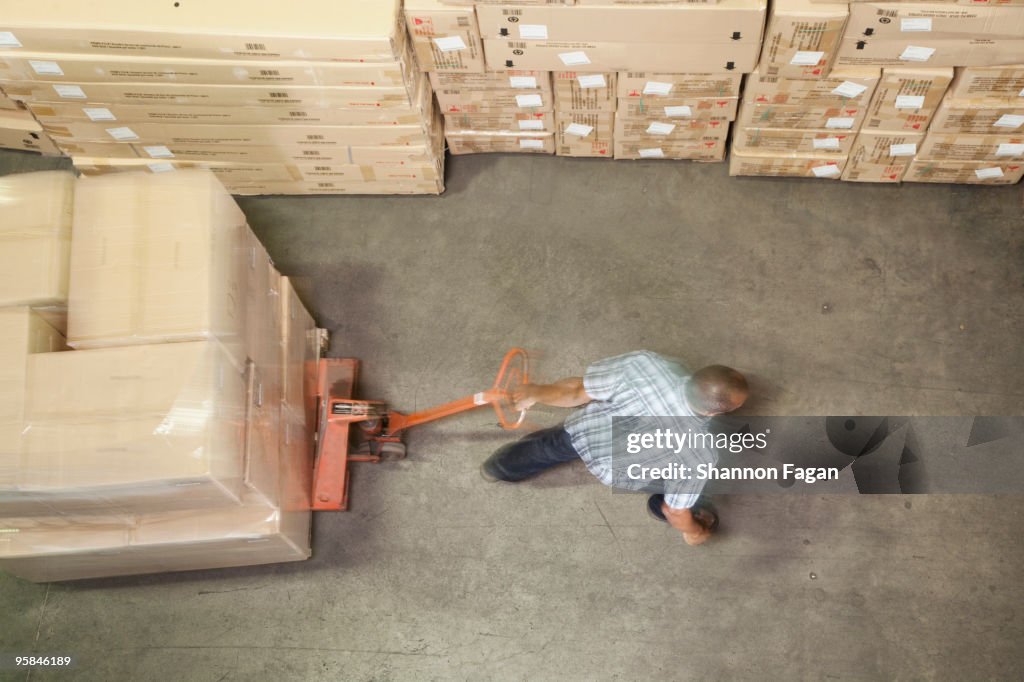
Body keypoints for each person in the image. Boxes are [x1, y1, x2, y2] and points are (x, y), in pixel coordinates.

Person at [481, 351, 749, 546]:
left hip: (584, 434)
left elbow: (576, 390)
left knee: (542, 448)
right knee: (687, 491)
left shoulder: (645, 366)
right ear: (717, 412)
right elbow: (676, 511)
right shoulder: (699, 453)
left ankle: (499, 468)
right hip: (623, 472)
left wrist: (537, 392)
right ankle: (658, 504)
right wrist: (694, 532)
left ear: (696, 376)